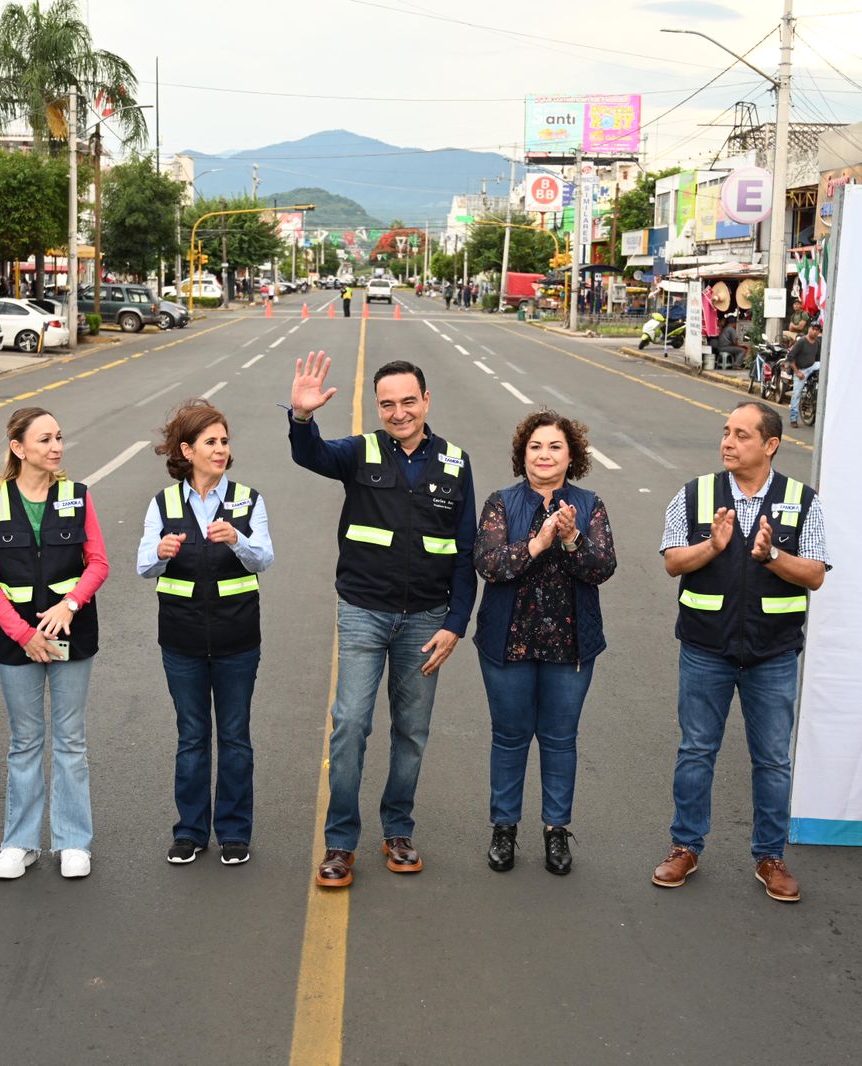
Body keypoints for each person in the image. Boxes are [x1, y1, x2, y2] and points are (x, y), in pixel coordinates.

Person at [289, 353, 475, 888]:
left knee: (412, 732)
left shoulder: (456, 463)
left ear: (427, 401)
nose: (398, 413)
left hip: (427, 621)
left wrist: (457, 621)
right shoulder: (359, 452)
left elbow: (464, 552)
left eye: (408, 401)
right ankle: (340, 842)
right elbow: (312, 455)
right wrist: (302, 417)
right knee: (349, 724)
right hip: (364, 613)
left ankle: (398, 830)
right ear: (378, 406)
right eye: (387, 404)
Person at [654, 401, 829, 903]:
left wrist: (771, 556)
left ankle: (770, 857)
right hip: (706, 648)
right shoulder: (694, 495)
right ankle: (685, 847)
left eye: (742, 435)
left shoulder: (802, 500)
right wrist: (712, 546)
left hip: (773, 653)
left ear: (770, 445)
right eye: (726, 432)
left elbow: (815, 574)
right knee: (695, 752)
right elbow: (672, 562)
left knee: (773, 760)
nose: (728, 443)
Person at [473, 411, 616, 876]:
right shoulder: (501, 503)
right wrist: (538, 542)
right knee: (509, 738)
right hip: (508, 643)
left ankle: (556, 832)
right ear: (523, 454)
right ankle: (504, 828)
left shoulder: (590, 505)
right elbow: (490, 564)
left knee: (559, 740)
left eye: (555, 446)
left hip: (569, 647)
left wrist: (572, 537)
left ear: (571, 455)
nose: (544, 455)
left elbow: (601, 568)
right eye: (536, 446)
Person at [0, 407, 109, 880]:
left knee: (70, 740)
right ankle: (20, 842)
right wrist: (23, 634)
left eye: (59, 437)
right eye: (45, 439)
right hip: (17, 644)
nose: (56, 447)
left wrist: (68, 605)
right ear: (18, 448)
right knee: (25, 741)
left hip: (71, 633)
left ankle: (73, 842)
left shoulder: (78, 496)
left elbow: (98, 563)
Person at [139, 400, 274, 866]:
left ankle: (234, 833)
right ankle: (190, 832)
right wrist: (160, 550)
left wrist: (239, 541)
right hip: (182, 642)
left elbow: (265, 559)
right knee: (192, 736)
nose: (221, 450)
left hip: (238, 640)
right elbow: (144, 567)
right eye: (210, 442)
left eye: (224, 441)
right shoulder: (164, 504)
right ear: (187, 450)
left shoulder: (248, 500)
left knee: (235, 736)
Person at [788, 321, 823, 428]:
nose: (815, 331)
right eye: (814, 329)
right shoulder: (802, 342)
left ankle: (815, 390)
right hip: (801, 370)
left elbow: (818, 358)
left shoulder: (817, 342)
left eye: (817, 330)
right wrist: (797, 372)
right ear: (809, 329)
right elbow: (790, 357)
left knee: (826, 365)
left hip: (812, 366)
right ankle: (793, 418)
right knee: (796, 394)